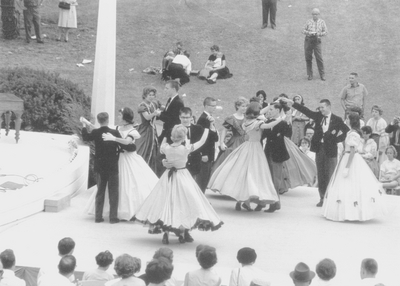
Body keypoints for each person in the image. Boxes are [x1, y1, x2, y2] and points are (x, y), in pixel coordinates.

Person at [134, 125, 223, 244]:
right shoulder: (186, 148)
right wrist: (207, 128)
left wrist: (166, 140)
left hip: (168, 177)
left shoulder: (166, 147)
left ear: (172, 137)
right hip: (182, 175)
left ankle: (165, 234)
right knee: (183, 203)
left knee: (167, 203)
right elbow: (201, 141)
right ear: (184, 137)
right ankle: (181, 234)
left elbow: (162, 147)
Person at [87, 107, 158, 221]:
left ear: (125, 118)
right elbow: (101, 131)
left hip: (128, 159)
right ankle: (109, 213)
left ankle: (128, 211)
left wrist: (114, 138)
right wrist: (89, 125)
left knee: (130, 185)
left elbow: (127, 142)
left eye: (120, 115)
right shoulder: (116, 128)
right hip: (115, 159)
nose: (118, 117)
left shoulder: (132, 131)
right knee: (111, 187)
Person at [209, 102, 280, 211]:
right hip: (255, 148)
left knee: (243, 173)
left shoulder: (247, 122)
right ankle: (250, 200)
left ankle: (241, 200)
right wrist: (281, 118)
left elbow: (258, 114)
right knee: (255, 173)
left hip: (245, 147)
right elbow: (269, 125)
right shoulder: (258, 123)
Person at [281, 97, 349, 207]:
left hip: (331, 150)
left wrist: (336, 140)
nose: (320, 109)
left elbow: (346, 131)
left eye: (322, 107)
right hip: (319, 148)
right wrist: (293, 103)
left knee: (330, 174)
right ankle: (322, 198)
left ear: (329, 107)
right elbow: (306, 111)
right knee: (321, 174)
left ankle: (330, 197)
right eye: (320, 107)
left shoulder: (337, 119)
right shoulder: (318, 116)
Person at [322, 113, 386, 221]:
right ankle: (345, 211)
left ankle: (354, 212)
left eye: (347, 118)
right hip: (346, 156)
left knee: (350, 183)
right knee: (345, 184)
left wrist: (347, 167)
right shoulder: (350, 132)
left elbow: (352, 152)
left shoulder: (353, 134)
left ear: (351, 121)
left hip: (350, 159)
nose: (345, 120)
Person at [82, 112, 121, 223]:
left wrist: (84, 126)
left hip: (100, 165)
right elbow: (122, 144)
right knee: (114, 192)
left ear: (98, 121)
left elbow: (85, 137)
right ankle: (113, 217)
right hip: (112, 165)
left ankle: (98, 216)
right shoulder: (114, 132)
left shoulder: (95, 132)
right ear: (108, 119)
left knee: (100, 192)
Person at [211, 97, 248, 174]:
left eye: (246, 106)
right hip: (235, 142)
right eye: (243, 106)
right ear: (237, 106)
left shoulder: (247, 117)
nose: (245, 108)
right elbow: (224, 130)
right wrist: (221, 143)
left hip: (246, 142)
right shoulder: (231, 118)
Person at [195, 98, 219, 193]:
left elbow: (214, 137)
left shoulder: (209, 118)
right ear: (206, 106)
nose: (214, 108)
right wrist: (203, 153)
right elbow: (201, 138)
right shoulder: (203, 119)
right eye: (212, 106)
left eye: (215, 106)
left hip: (209, 153)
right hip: (205, 154)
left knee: (205, 178)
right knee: (202, 179)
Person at [136, 87, 162, 174]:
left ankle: (152, 170)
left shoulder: (154, 103)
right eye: (149, 95)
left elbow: (163, 107)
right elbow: (147, 117)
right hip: (146, 129)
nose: (151, 97)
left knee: (154, 148)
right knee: (145, 148)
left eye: (153, 95)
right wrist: (155, 113)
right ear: (145, 95)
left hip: (152, 129)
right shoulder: (142, 106)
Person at [302, 8, 327, 81]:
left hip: (317, 41)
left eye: (316, 14)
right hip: (309, 40)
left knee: (319, 58)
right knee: (308, 58)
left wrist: (318, 34)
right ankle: (310, 74)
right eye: (313, 14)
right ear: (312, 15)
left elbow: (325, 32)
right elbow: (303, 30)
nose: (315, 16)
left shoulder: (322, 22)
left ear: (318, 15)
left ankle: (322, 74)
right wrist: (309, 33)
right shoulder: (308, 22)